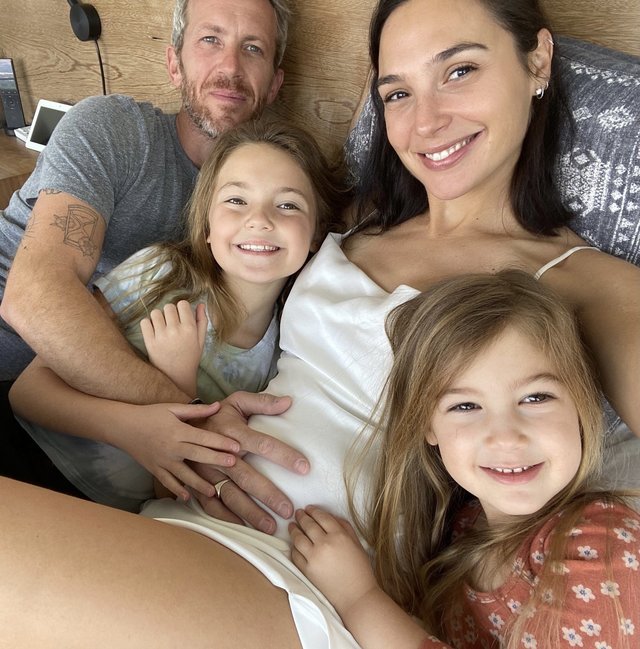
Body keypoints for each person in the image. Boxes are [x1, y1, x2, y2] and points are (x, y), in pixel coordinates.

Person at [0, 0, 638, 645]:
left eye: (459, 71)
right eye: (397, 93)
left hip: (301, 572)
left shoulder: (585, 281)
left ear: (538, 61)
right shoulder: (357, 217)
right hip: (179, 518)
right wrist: (183, 407)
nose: (426, 121)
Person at [7, 119, 349, 511]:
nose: (259, 219)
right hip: (25, 454)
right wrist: (134, 426)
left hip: (109, 516)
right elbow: (26, 392)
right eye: (236, 201)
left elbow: (171, 494)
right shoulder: (161, 273)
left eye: (288, 205)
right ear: (207, 225)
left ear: (316, 235)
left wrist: (179, 379)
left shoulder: (281, 358)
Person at [289, 270, 640, 649]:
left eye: (536, 397)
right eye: (466, 406)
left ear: (582, 405)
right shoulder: (461, 529)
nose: (506, 436)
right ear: (428, 426)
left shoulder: (604, 550)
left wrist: (358, 599)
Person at [0, 0, 288, 393]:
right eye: (210, 40)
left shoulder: (261, 210)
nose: (231, 66)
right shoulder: (114, 129)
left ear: (274, 85)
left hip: (67, 396)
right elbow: (33, 297)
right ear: (174, 65)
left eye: (253, 48)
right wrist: (188, 412)